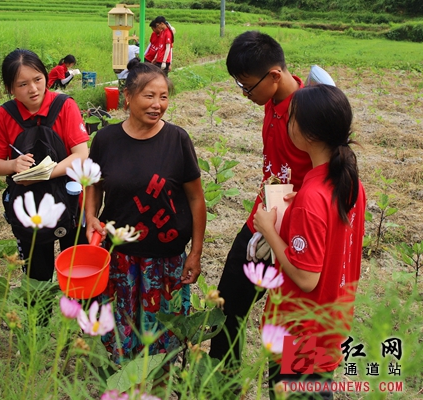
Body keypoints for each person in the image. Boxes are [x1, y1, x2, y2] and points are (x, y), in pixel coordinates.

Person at [85, 60, 206, 363]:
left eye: (163, 96)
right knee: (121, 330)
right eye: (149, 96)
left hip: (165, 258)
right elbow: (94, 185)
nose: (158, 105)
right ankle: (124, 386)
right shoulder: (106, 140)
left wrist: (196, 252)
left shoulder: (177, 140)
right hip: (120, 256)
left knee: (162, 338)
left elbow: (196, 199)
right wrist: (90, 216)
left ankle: (159, 385)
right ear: (127, 97)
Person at [253, 84, 365, 399]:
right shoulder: (349, 182)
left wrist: (270, 229)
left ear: (308, 135)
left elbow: (305, 277)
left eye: (292, 119)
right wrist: (300, 203)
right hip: (331, 323)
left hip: (299, 334)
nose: (287, 124)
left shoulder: (312, 197)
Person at [209, 31, 312, 369]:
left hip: (293, 231)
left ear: (274, 76)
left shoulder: (309, 116)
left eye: (247, 86)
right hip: (262, 217)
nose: (244, 94)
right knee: (227, 302)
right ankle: (222, 380)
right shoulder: (271, 99)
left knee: (284, 320)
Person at [0, 49, 89, 282]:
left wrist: (43, 174)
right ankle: (38, 318)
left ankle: (75, 316)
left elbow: (81, 155)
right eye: (22, 84)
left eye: (38, 79)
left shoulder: (64, 106)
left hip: (71, 203)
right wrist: (13, 164)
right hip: (29, 208)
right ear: (10, 88)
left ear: (46, 77)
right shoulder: (4, 115)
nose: (33, 89)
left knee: (77, 273)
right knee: (37, 277)